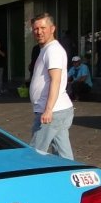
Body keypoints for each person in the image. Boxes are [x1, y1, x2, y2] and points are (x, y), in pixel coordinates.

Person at [28, 13, 75, 160]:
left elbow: (56, 80)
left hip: (52, 112)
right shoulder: (47, 49)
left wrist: (48, 110)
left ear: (52, 28)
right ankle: (70, 173)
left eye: (43, 28)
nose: (39, 32)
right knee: (63, 155)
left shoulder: (52, 50)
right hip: (58, 110)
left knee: (34, 154)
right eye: (36, 29)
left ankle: (29, 175)